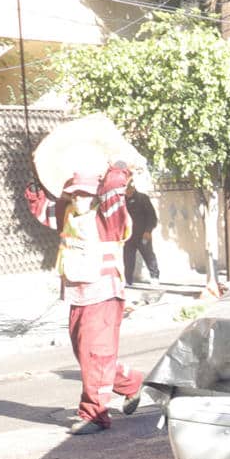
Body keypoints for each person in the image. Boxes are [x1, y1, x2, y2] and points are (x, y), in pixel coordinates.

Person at [48, 171, 145, 434]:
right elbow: (45, 208)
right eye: (75, 193)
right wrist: (37, 186)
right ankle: (131, 383)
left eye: (86, 194)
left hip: (104, 293)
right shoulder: (68, 215)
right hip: (78, 295)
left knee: (95, 355)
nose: (79, 198)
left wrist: (117, 169)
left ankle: (95, 414)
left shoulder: (108, 217)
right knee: (86, 355)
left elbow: (115, 192)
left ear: (96, 197)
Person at [122, 172, 160, 288]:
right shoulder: (122, 201)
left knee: (148, 255)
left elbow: (152, 216)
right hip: (128, 236)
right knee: (128, 259)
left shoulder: (142, 198)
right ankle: (128, 280)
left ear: (133, 188)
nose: (127, 191)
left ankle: (154, 277)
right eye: (126, 189)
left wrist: (148, 231)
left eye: (129, 188)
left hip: (143, 234)